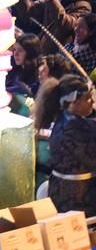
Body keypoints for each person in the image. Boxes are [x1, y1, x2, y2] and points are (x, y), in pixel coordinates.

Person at [43, 75, 96, 216]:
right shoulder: (72, 128)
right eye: (88, 99)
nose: (92, 102)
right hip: (76, 197)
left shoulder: (65, 118)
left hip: (65, 189)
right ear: (75, 102)